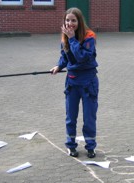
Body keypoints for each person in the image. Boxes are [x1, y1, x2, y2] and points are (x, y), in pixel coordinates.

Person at [50, 7, 99, 159]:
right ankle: (71, 146)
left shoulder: (89, 36)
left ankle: (90, 147)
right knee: (71, 117)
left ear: (79, 21)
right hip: (72, 82)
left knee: (89, 117)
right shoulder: (65, 37)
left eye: (73, 20)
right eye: (67, 20)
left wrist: (72, 39)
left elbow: (82, 57)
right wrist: (59, 66)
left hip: (88, 81)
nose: (70, 23)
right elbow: (65, 56)